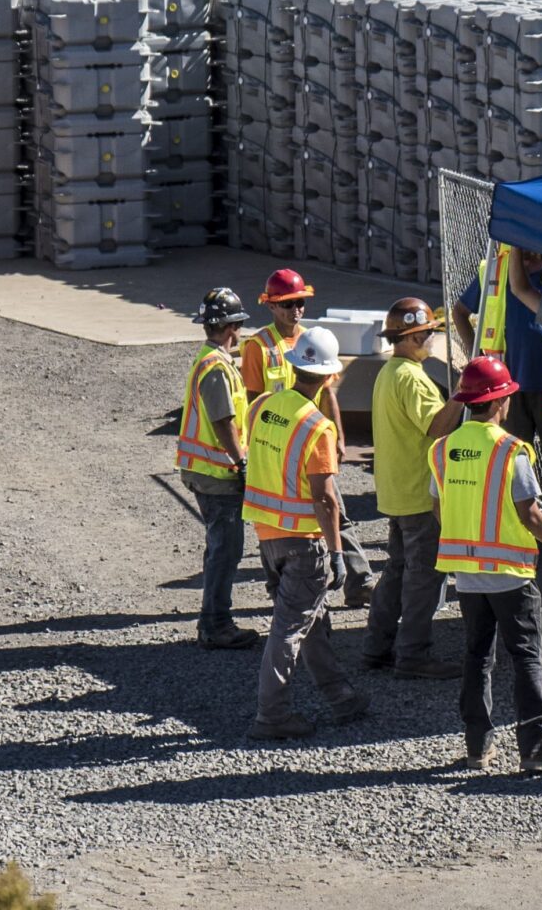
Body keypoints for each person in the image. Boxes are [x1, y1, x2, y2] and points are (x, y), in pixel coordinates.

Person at [432, 356, 542, 777]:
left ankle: (478, 746)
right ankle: (534, 749)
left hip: (467, 574)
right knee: (527, 657)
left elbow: (440, 506)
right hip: (511, 573)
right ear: (501, 402)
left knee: (477, 656)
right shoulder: (511, 449)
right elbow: (529, 512)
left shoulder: (442, 450)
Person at [243, 327, 371, 740]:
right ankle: (271, 716)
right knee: (288, 629)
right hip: (304, 541)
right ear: (331, 376)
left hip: (267, 535)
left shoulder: (263, 405)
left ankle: (341, 696)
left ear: (296, 366)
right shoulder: (318, 427)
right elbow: (326, 499)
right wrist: (337, 553)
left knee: (308, 617)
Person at [241, 268, 373, 606]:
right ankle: (293, 585)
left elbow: (328, 394)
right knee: (307, 512)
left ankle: (357, 580)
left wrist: (339, 436)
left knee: (334, 509)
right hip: (281, 446)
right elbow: (253, 402)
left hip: (310, 442)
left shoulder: (312, 340)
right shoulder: (258, 347)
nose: (295, 310)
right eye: (286, 304)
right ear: (270, 306)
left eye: (299, 302)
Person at [362, 298, 461, 677]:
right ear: (415, 335)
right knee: (424, 576)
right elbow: (437, 426)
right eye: (429, 334)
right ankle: (414, 655)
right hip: (420, 495)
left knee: (398, 571)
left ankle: (377, 647)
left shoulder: (389, 373)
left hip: (397, 491)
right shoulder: (411, 377)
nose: (432, 340)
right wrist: (461, 394)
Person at [177, 288, 260, 651]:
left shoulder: (212, 359)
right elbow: (223, 419)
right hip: (217, 475)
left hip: (206, 470)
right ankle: (216, 624)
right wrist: (241, 461)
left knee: (220, 548)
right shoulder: (215, 367)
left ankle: (214, 620)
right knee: (226, 550)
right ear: (232, 327)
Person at [454, 245, 542, 444]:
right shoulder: (495, 271)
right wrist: (478, 359)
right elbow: (459, 312)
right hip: (506, 389)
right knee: (511, 455)